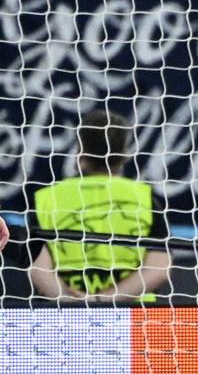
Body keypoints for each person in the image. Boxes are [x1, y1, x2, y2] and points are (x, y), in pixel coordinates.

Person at [29, 110, 171, 302]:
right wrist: (104, 300)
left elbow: (38, 269)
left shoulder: (46, 199)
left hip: (62, 318)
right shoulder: (145, 197)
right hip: (136, 319)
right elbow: (158, 269)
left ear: (80, 149)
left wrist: (74, 302)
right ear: (124, 153)